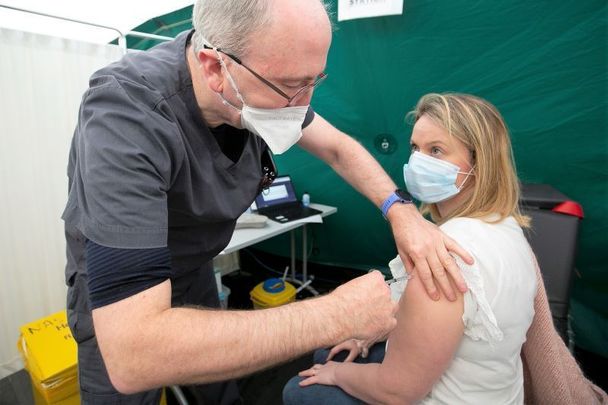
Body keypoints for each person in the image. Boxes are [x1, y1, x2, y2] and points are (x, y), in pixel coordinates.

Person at [62, 1, 473, 404]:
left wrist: (400, 211)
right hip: (122, 303)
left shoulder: (254, 87)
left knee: (219, 388)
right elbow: (133, 355)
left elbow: (338, 150)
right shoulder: (127, 115)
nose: (304, 106)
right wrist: (334, 315)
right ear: (214, 67)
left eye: (315, 81)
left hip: (193, 270)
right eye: (293, 86)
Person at [283, 93, 541, 404]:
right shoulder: (506, 226)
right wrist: (373, 332)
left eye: (436, 150)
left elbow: (397, 391)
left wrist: (335, 374)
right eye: (416, 149)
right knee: (333, 350)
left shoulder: (444, 256)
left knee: (300, 389)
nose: (419, 162)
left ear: (479, 162)